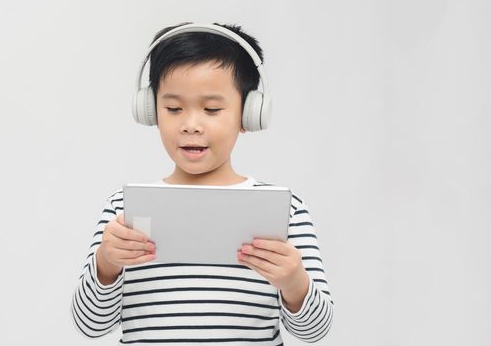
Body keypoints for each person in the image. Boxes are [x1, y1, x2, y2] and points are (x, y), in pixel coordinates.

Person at [71, 22, 333, 345]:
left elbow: (315, 331)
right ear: (151, 110)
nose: (191, 125)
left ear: (250, 114)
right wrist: (106, 263)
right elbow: (89, 325)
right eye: (173, 108)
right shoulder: (124, 211)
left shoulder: (285, 211)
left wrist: (295, 283)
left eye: (211, 109)